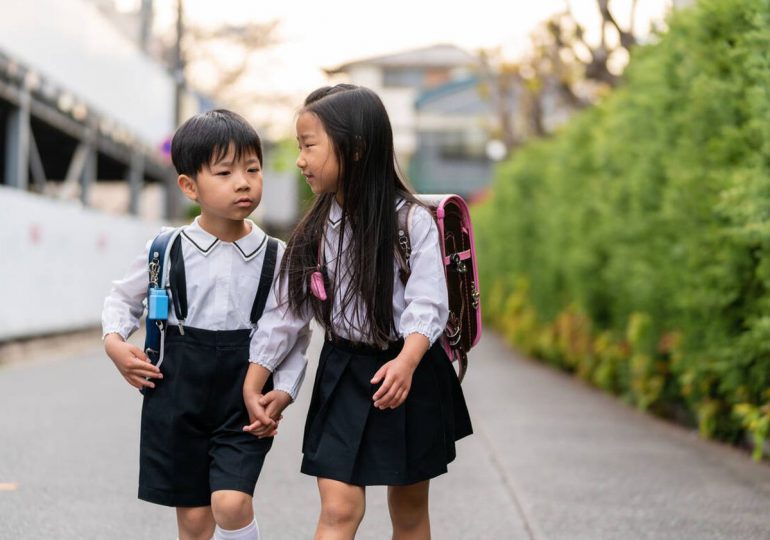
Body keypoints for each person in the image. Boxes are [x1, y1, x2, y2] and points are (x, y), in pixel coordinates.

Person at [243, 85, 473, 539]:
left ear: (357, 148)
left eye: (309, 146)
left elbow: (428, 303)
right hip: (344, 372)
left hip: (409, 372)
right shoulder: (312, 233)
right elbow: (285, 314)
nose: (300, 160)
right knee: (339, 510)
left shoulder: (411, 222)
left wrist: (407, 362)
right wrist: (257, 381)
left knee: (408, 512)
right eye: (299, 147)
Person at [102, 109, 309, 540]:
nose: (243, 182)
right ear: (189, 185)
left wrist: (284, 391)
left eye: (253, 169)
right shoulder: (166, 246)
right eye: (225, 172)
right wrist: (116, 344)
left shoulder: (277, 254)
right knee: (195, 523)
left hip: (245, 390)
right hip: (176, 390)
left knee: (231, 504)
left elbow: (293, 333)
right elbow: (123, 299)